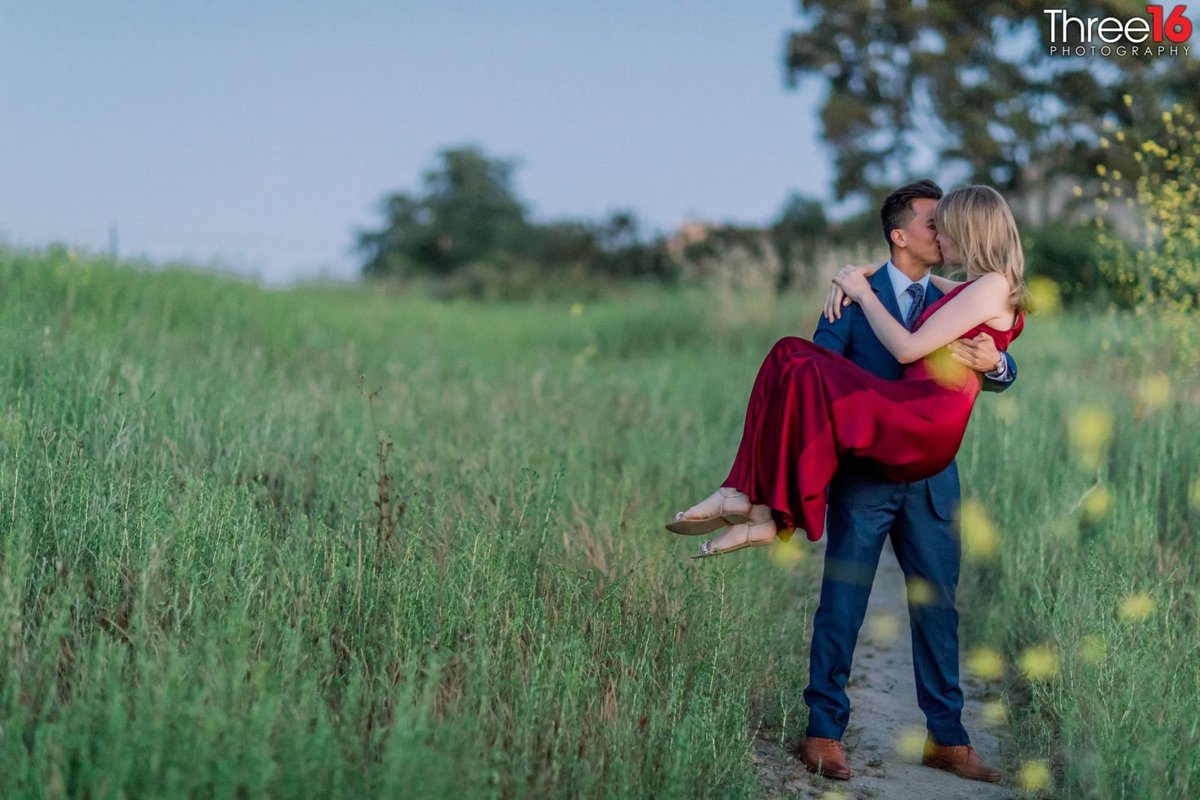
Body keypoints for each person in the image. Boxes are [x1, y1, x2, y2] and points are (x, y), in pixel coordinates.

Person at [666, 182, 1026, 783]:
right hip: (866, 475)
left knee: (939, 609)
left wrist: (1000, 365)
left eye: (949, 223)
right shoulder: (852, 296)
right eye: (932, 224)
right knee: (843, 604)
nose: (944, 233)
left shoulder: (965, 290)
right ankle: (824, 731)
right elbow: (820, 369)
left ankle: (949, 740)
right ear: (900, 235)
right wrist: (853, 284)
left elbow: (1000, 355)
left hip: (932, 476)